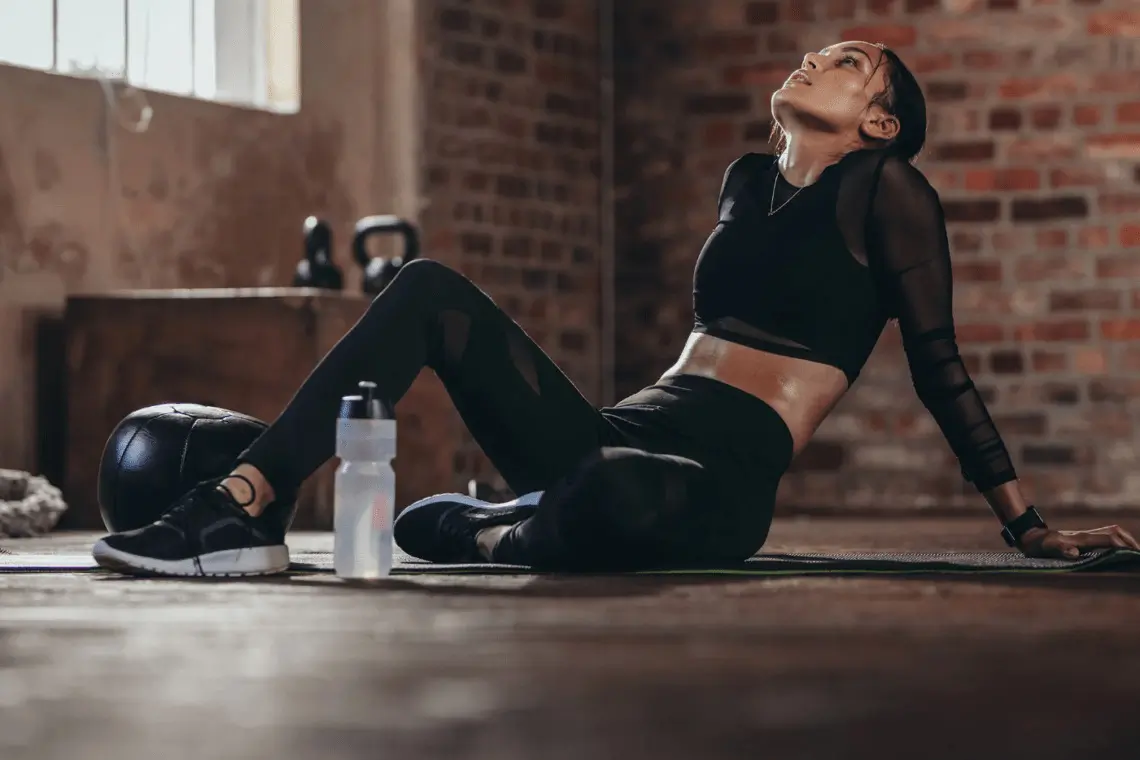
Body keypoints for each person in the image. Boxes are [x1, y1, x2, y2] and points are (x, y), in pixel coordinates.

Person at [92, 40, 1140, 577]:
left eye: (851, 59)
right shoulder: (743, 179)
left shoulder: (888, 191)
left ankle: (522, 527)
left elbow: (938, 361)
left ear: (878, 118)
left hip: (718, 473)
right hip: (627, 423)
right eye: (825, 45)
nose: (819, 52)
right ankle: (246, 500)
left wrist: (1028, 526)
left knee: (622, 496)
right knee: (428, 289)